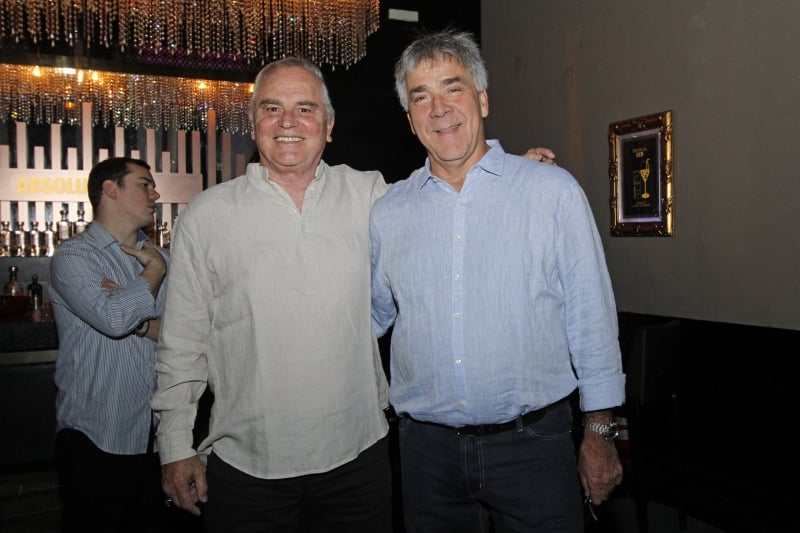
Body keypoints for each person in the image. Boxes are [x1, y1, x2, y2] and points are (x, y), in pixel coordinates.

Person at [152, 57, 556, 533]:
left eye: (305, 109)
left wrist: (510, 181)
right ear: (253, 121)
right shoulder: (207, 215)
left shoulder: (371, 195)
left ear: (329, 126)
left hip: (357, 461)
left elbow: (445, 203)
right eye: (272, 108)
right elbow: (182, 342)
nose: (287, 122)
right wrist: (174, 446)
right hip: (248, 464)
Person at [370, 29, 626, 533]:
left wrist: (600, 432)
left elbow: (591, 317)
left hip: (533, 447)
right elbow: (371, 316)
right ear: (410, 120)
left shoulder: (551, 192)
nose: (439, 108)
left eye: (453, 87)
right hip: (425, 455)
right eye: (421, 97)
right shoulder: (389, 212)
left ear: (483, 100)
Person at [50, 157, 170, 533]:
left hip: (156, 436)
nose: (155, 194)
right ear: (110, 189)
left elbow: (192, 333)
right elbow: (116, 321)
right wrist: (151, 278)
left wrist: (136, 315)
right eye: (144, 184)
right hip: (96, 434)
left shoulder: (165, 257)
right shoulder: (75, 256)